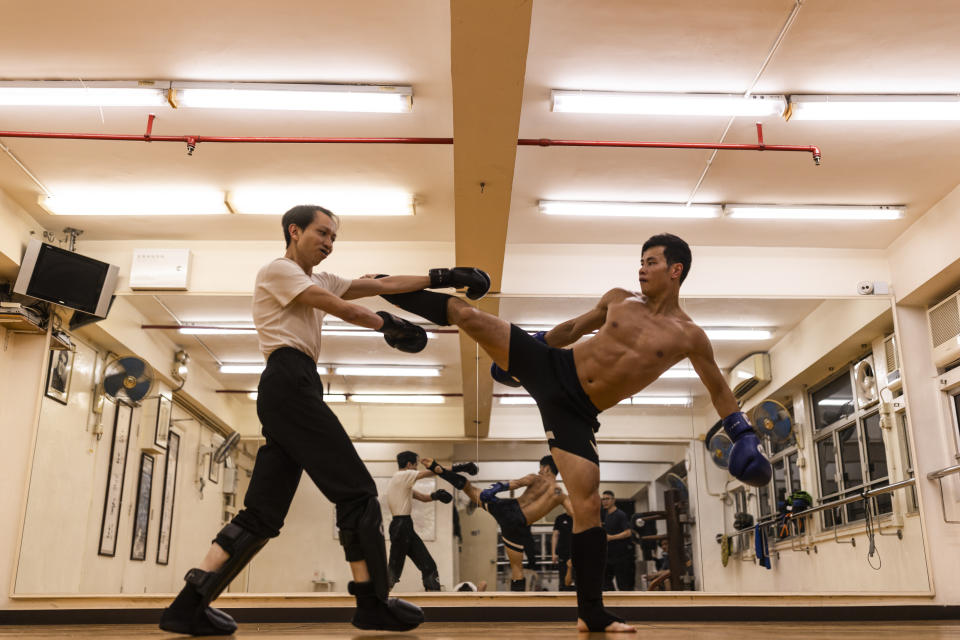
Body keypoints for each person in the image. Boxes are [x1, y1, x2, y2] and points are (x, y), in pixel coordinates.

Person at [378, 232, 772, 632]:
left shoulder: (689, 335)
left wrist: (742, 433)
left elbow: (719, 389)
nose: (641, 268)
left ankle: (591, 613)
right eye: (640, 261)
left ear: (676, 270)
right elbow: (573, 329)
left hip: (577, 412)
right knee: (468, 315)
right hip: (552, 366)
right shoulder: (619, 298)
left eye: (651, 262)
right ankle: (381, 296)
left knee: (586, 509)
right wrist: (529, 350)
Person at [158, 204, 491, 636]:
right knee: (356, 492)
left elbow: (377, 284)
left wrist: (443, 277)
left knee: (262, 515)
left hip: (294, 386)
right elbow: (334, 305)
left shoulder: (316, 276)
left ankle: (188, 605)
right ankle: (372, 602)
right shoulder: (278, 271)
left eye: (334, 237)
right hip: (288, 381)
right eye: (323, 233)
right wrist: (387, 325)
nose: (329, 243)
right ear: (294, 231)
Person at [423, 455, 571, 592]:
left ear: (546, 468)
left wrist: (495, 488)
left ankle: (440, 470)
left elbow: (514, 484)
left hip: (507, 509)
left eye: (541, 468)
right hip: (519, 523)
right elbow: (574, 513)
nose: (539, 471)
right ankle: (517, 606)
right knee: (517, 568)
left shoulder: (535, 478)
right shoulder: (560, 494)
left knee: (470, 488)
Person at [386, 450, 466, 591]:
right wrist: (460, 467)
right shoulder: (402, 475)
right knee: (392, 571)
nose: (417, 469)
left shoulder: (402, 482)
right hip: (401, 526)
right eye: (416, 465)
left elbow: (423, 498)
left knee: (428, 566)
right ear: (409, 464)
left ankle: (433, 598)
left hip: (404, 526)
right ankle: (376, 602)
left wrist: (437, 495)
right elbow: (433, 472)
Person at [600, 491, 634, 591]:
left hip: (620, 556)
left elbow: (628, 532)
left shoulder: (620, 514)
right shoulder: (604, 515)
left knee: (623, 584)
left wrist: (611, 537)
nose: (604, 501)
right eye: (603, 499)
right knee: (605, 583)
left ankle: (625, 605)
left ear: (613, 500)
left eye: (607, 499)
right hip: (607, 556)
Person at [551, 510, 574, 590]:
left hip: (577, 553)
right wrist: (553, 553)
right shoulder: (560, 518)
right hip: (563, 553)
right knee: (563, 580)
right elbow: (555, 535)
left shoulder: (580, 517)